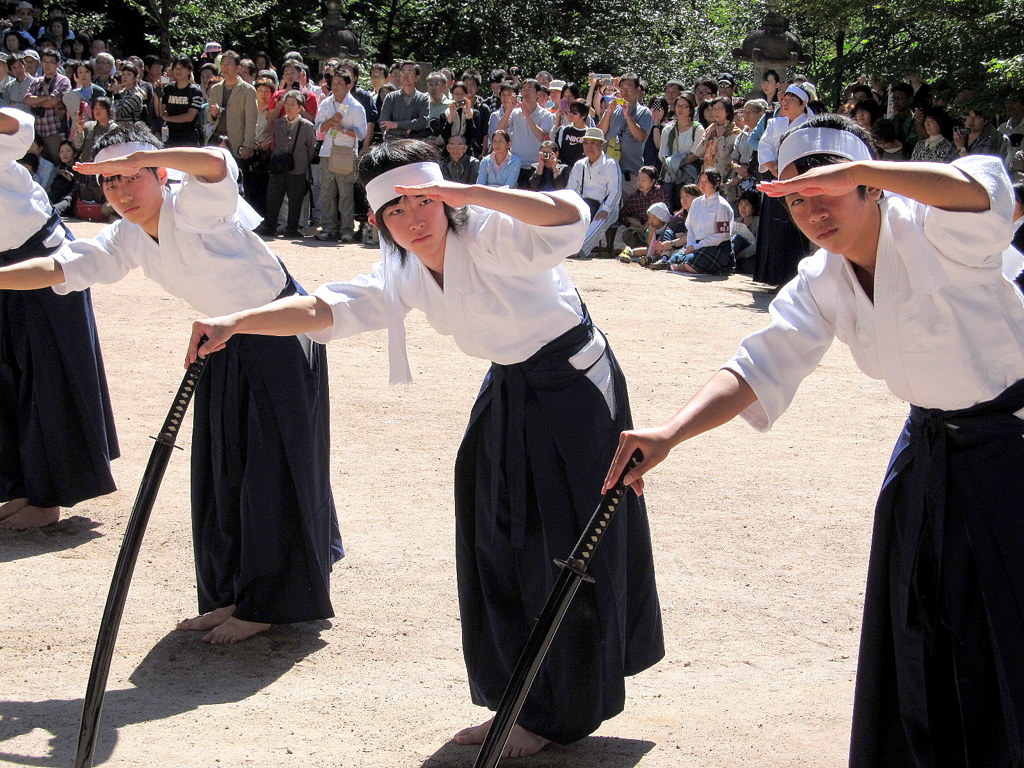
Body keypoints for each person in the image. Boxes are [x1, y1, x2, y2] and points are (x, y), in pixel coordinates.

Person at [187, 137, 664, 756]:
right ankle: (517, 697)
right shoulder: (404, 267)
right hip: (510, 386)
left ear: (446, 199)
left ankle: (558, 711)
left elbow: (571, 215)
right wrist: (236, 322)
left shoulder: (493, 230)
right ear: (377, 220)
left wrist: (470, 192)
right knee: (493, 537)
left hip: (575, 390)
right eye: (395, 210)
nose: (414, 218)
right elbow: (326, 308)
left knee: (565, 546)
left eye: (424, 201)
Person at [605, 113, 1024, 767]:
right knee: (918, 639)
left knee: (1004, 642)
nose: (811, 212)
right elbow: (760, 361)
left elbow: (984, 189)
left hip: (1011, 455)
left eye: (829, 191)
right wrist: (670, 433)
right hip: (928, 453)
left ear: (872, 187)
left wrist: (862, 167)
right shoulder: (824, 278)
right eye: (796, 199)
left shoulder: (937, 229)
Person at [0, 121, 342, 641]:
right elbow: (56, 267)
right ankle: (232, 593)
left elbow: (215, 165)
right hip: (220, 337)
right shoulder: (128, 235)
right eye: (110, 183)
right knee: (223, 468)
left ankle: (270, 601)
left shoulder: (192, 206)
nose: (120, 193)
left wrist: (149, 153)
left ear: (161, 173)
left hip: (277, 330)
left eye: (132, 177)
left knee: (272, 468)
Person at [0, 106, 118, 530]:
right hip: (2, 272)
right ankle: (21, 487)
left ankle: (49, 498)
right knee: (7, 378)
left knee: (47, 378)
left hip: (42, 260)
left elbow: (20, 124)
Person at [314, 71, 367, 243]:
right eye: (333, 82)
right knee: (327, 192)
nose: (335, 86)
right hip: (327, 152)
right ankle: (329, 228)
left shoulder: (356, 106)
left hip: (345, 152)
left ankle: (346, 230)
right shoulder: (326, 103)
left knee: (345, 194)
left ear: (348, 85)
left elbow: (361, 133)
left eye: (339, 83)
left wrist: (343, 129)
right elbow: (318, 128)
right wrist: (331, 122)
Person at [264, 90, 316, 239]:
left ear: (300, 107)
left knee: (296, 199)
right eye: (287, 103)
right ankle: (270, 226)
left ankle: (292, 228)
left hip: (298, 167)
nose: (289, 107)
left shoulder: (307, 126)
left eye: (293, 104)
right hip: (279, 165)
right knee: (274, 197)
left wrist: (303, 162)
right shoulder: (279, 123)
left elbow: (311, 148)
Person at [665, 168, 734, 274]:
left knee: (691, 263)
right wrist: (690, 245)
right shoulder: (696, 202)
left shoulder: (722, 205)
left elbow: (722, 235)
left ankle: (687, 266)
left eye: (706, 181)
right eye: (700, 181)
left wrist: (697, 246)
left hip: (716, 246)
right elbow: (690, 227)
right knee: (673, 262)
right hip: (695, 244)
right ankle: (685, 265)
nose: (702, 184)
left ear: (716, 183)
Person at [566, 127, 622, 258]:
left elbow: (615, 191)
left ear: (601, 145)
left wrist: (606, 208)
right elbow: (570, 189)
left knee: (600, 219)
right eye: (586, 143)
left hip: (607, 204)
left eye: (594, 143)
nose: (589, 147)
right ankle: (565, 247)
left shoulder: (610, 164)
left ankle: (579, 249)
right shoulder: (579, 165)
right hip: (584, 204)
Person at [161, 56, 204, 148]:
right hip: (170, 136)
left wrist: (168, 118)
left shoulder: (196, 91)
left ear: (189, 70)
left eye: (182, 68)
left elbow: (189, 117)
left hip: (189, 137)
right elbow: (161, 112)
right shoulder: (168, 89)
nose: (178, 71)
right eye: (176, 68)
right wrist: (158, 92)